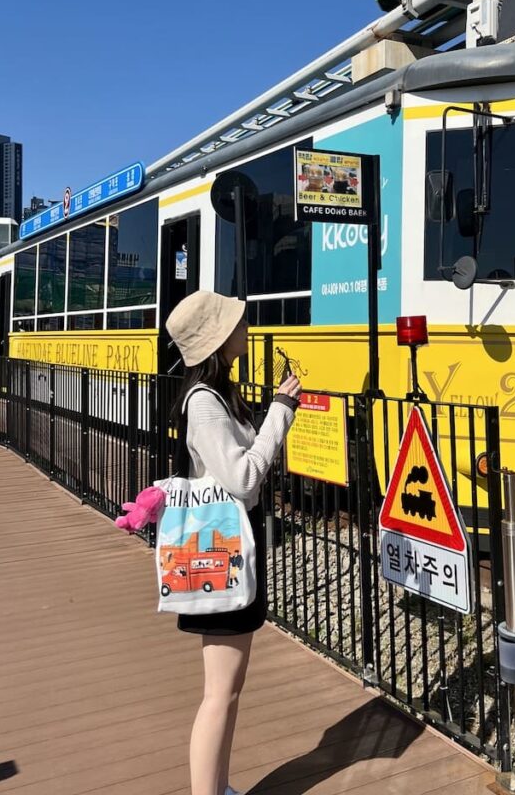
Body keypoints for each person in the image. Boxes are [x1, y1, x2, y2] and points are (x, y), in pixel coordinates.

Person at [166, 290, 301, 795]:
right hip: (218, 557)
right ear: (218, 340)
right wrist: (280, 413)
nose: (244, 326)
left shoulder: (218, 396)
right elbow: (243, 482)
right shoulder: (205, 405)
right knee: (219, 692)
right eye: (236, 322)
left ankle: (219, 787)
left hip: (230, 557)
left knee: (230, 688)